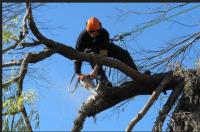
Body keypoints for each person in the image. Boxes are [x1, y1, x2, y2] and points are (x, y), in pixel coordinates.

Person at [74, 17, 139, 87]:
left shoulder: (104, 34)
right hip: (90, 53)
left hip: (104, 49)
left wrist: (96, 69)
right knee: (93, 57)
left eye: (96, 32)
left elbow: (103, 54)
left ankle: (137, 74)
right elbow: (77, 56)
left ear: (99, 29)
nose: (93, 34)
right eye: (91, 32)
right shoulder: (82, 38)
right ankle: (105, 82)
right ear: (88, 30)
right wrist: (79, 73)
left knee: (123, 53)